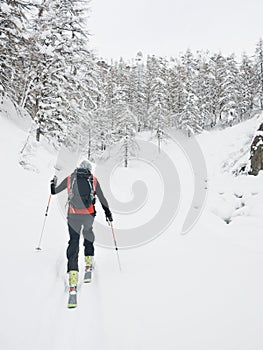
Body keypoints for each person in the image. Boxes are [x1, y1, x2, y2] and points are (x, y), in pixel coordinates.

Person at [50, 160, 113, 288]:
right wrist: (108, 214)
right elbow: (102, 199)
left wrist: (53, 183)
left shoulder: (70, 178)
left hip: (73, 215)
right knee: (88, 234)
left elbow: (54, 191)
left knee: (74, 241)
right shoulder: (93, 180)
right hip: (88, 215)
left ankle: (73, 273)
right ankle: (89, 262)